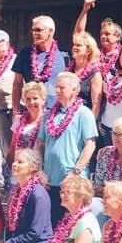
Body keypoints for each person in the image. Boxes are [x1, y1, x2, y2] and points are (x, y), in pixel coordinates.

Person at [36, 71, 98, 221]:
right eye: (56, 87)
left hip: (72, 179)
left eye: (62, 88)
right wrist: (39, 170)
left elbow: (90, 145)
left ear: (75, 90)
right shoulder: (48, 115)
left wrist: (76, 171)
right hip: (50, 180)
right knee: (52, 221)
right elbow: (39, 143)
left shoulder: (84, 113)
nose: (57, 91)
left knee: (71, 223)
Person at [12, 14, 67, 110]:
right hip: (32, 110)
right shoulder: (24, 54)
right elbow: (17, 84)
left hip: (58, 110)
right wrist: (16, 110)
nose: (34, 33)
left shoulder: (65, 55)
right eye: (32, 30)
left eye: (38, 30)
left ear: (50, 31)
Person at [73, 0, 122, 77]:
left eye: (107, 34)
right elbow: (78, 34)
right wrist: (85, 10)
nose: (103, 36)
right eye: (101, 34)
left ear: (117, 37)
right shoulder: (95, 53)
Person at [92, 117, 122, 196]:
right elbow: (97, 184)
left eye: (119, 134)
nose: (115, 137)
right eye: (113, 133)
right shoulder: (106, 154)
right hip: (105, 197)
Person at [8, 81, 46, 165]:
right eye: (28, 99)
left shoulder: (47, 121)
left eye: (35, 98)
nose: (31, 102)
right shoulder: (19, 119)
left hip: (37, 167)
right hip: (19, 166)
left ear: (43, 100)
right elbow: (12, 146)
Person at [69, 31, 104, 119]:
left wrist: (90, 126)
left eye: (79, 45)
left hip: (83, 118)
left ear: (88, 50)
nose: (74, 47)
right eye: (74, 44)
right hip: (66, 117)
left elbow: (96, 104)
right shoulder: (69, 71)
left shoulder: (94, 74)